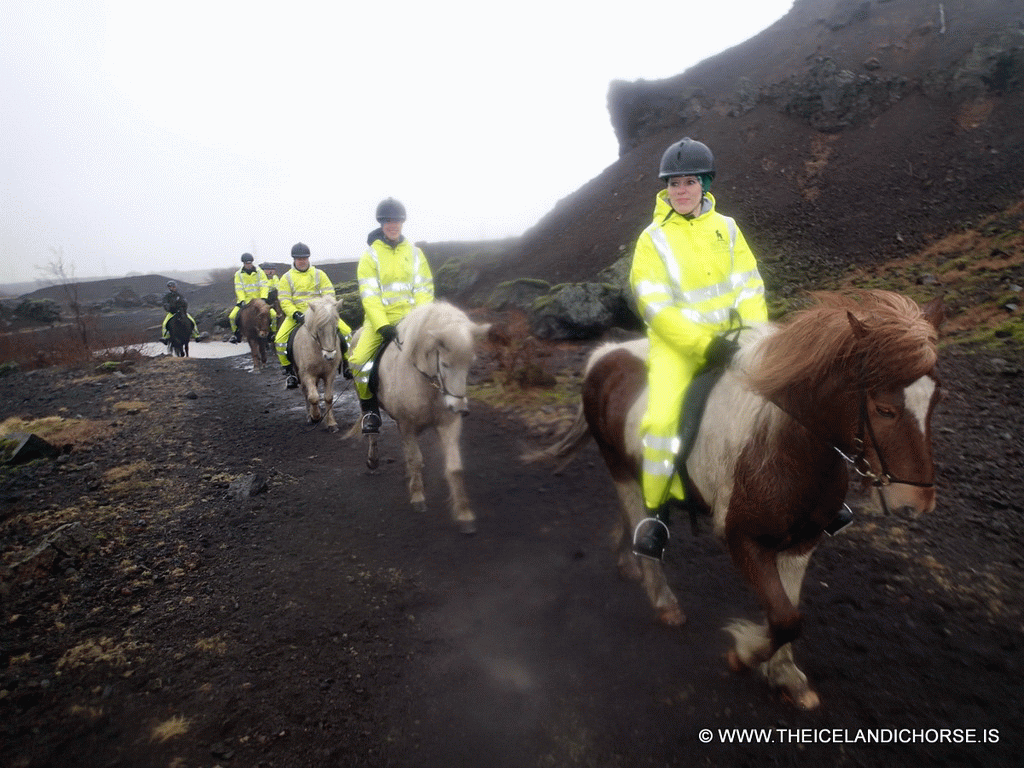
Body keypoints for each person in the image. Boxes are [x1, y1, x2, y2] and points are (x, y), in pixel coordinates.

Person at [629, 137, 768, 560]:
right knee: (662, 420)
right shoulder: (651, 241)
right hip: (678, 347)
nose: (681, 190)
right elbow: (656, 308)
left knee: (784, 393)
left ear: (705, 184)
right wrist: (704, 344)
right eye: (673, 183)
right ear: (665, 189)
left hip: (734, 339)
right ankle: (657, 514)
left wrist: (753, 335)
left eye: (689, 181)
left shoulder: (727, 228)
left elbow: (749, 285)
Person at [348, 198, 435, 434]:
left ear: (402, 223)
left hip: (412, 320)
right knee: (358, 362)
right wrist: (383, 325)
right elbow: (370, 296)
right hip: (381, 322)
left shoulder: (416, 254)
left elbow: (424, 290)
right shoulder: (370, 256)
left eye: (396, 220)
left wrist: (419, 319)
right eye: (387, 221)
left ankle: (450, 401)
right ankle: (370, 411)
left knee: (444, 351)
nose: (392, 225)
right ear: (381, 224)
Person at [274, 242, 352, 389]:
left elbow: (329, 293)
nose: (302, 261)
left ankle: (347, 364)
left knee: (347, 332)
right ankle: (289, 371)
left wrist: (326, 309)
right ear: (294, 260)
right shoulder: (286, 278)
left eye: (304, 258)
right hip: (297, 315)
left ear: (308, 258)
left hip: (320, 314)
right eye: (299, 259)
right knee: (279, 340)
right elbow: (284, 299)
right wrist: (294, 313)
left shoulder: (319, 274)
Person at [229, 253, 269, 343]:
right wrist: (242, 300)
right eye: (247, 263)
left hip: (259, 300)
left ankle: (272, 333)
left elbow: (264, 285)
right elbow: (239, 288)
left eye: (250, 263)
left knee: (273, 315)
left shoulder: (260, 272)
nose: (248, 265)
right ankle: (236, 334)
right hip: (245, 301)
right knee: (232, 317)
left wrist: (263, 298)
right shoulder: (238, 274)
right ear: (243, 263)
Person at [160, 280, 200, 344]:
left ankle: (196, 336)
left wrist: (183, 308)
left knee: (192, 321)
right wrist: (168, 308)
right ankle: (165, 337)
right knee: (164, 324)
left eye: (174, 287)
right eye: (171, 287)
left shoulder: (179, 294)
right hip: (172, 313)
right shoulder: (167, 295)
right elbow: (165, 303)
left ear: (176, 287)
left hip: (182, 311)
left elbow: (185, 302)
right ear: (169, 288)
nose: (173, 288)